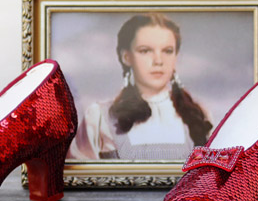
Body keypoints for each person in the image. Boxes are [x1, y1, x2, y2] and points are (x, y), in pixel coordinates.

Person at [67, 13, 212, 160]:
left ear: (176, 57)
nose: (158, 61)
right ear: (127, 57)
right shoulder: (99, 118)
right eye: (145, 50)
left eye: (167, 51)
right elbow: (78, 178)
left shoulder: (199, 115)